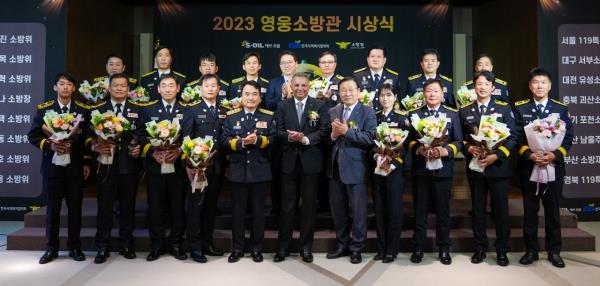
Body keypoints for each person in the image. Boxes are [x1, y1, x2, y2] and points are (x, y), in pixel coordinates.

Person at [28, 72, 92, 264]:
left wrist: (87, 161)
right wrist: (50, 144)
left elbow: (87, 137)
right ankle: (51, 248)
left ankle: (75, 247)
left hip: (75, 166)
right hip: (52, 166)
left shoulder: (82, 110)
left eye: (69, 84)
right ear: (55, 87)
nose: (65, 87)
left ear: (74, 88)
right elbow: (33, 135)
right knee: (52, 209)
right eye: (61, 84)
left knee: (75, 209)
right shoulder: (44, 109)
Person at [513, 67, 573, 268]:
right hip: (529, 168)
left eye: (543, 82)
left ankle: (554, 251)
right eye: (535, 82)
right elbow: (516, 138)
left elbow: (568, 138)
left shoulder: (560, 108)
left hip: (553, 167)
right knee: (530, 212)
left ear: (550, 86)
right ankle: (531, 250)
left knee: (552, 212)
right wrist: (530, 154)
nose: (539, 86)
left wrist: (553, 155)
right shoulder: (520, 108)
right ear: (530, 86)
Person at [458, 71, 517, 266]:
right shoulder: (465, 110)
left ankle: (502, 250)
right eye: (478, 84)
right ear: (474, 87)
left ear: (493, 87)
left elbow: (513, 137)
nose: (482, 87)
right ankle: (480, 248)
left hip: (498, 167)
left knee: (500, 211)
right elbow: (460, 139)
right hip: (475, 167)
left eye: (486, 84)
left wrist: (496, 155)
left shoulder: (503, 107)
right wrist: (469, 147)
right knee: (477, 210)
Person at [87, 73, 143, 264]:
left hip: (129, 166)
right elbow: (87, 135)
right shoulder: (98, 110)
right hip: (106, 166)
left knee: (128, 207)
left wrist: (139, 147)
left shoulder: (137, 109)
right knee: (105, 207)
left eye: (123, 86)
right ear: (109, 88)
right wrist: (94, 146)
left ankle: (126, 243)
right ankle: (102, 245)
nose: (119, 89)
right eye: (116, 85)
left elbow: (142, 134)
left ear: (129, 89)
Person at [273, 73, 328, 263]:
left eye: (304, 85)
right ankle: (283, 248)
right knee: (287, 207)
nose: (300, 88)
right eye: (296, 85)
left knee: (309, 208)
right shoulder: (282, 105)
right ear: (290, 85)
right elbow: (277, 131)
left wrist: (305, 139)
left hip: (310, 163)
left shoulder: (319, 105)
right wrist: (290, 137)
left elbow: (323, 131)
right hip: (288, 163)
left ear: (309, 86)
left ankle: (306, 248)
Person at [408, 79, 462, 265]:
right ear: (424, 93)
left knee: (443, 212)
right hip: (421, 170)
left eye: (436, 91)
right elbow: (409, 141)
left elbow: (458, 141)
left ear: (442, 94)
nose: (432, 94)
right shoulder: (415, 114)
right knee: (420, 211)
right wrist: (419, 149)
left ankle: (444, 248)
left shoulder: (452, 114)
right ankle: (418, 247)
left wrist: (445, 151)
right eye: (429, 91)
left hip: (443, 171)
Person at [221, 81, 276, 263]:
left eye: (254, 94)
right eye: (247, 94)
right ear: (241, 97)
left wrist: (259, 140)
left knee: (258, 213)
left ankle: (256, 249)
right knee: (237, 213)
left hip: (259, 171)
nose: (250, 97)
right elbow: (225, 140)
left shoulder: (268, 116)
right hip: (237, 171)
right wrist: (243, 142)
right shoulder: (231, 116)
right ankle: (237, 249)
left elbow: (274, 140)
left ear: (260, 97)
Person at [326, 77, 377, 264]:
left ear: (358, 91)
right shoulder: (333, 111)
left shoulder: (368, 112)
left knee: (358, 212)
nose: (347, 93)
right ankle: (341, 245)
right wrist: (332, 135)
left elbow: (370, 138)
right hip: (335, 168)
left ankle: (357, 248)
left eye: (351, 89)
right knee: (338, 211)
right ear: (339, 92)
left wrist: (347, 131)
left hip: (357, 168)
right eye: (343, 90)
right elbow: (327, 139)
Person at [139, 74, 188, 261]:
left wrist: (179, 152)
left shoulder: (186, 109)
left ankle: (176, 244)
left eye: (171, 85)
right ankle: (156, 245)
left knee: (177, 207)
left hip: (177, 168)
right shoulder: (148, 109)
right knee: (155, 208)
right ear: (158, 89)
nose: (167, 89)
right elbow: (141, 136)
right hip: (155, 168)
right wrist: (153, 152)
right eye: (164, 86)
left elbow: (190, 135)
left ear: (177, 88)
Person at [184, 74, 228, 263]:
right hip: (198, 168)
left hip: (217, 167)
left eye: (213, 86)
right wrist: (190, 164)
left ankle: (207, 244)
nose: (210, 89)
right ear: (200, 88)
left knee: (210, 208)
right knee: (196, 208)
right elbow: (186, 139)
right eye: (206, 85)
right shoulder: (192, 110)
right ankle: (194, 247)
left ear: (219, 89)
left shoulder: (225, 110)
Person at [372, 83, 410, 263]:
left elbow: (406, 147)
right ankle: (381, 247)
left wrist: (393, 161)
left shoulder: (403, 118)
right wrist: (377, 157)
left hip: (395, 170)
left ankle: (391, 250)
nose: (385, 98)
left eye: (388, 95)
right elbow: (370, 143)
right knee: (379, 210)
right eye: (382, 95)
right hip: (378, 168)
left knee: (394, 210)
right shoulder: (374, 117)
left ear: (395, 97)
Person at [352, 45, 400, 112]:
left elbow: (397, 100)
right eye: (372, 56)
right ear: (367, 59)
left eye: (379, 57)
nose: (375, 59)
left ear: (384, 60)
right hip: (364, 116)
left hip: (385, 118)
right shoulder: (358, 76)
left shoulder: (393, 77)